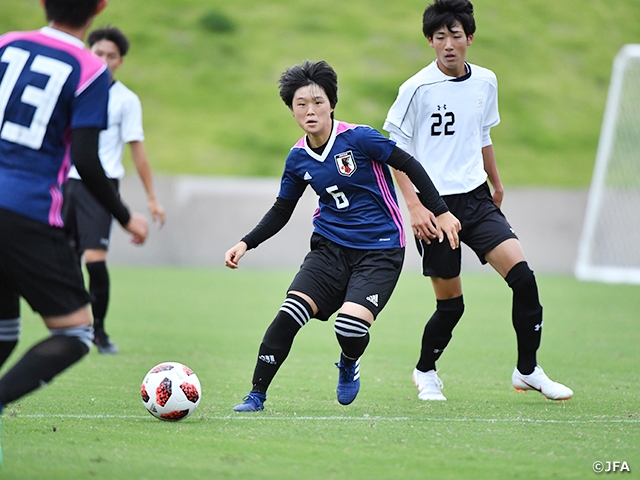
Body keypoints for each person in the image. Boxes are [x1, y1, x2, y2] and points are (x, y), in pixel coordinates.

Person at [225, 60, 461, 412]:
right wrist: (246, 242)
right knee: (289, 313)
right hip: (329, 249)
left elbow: (407, 163)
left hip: (380, 250)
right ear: (291, 110)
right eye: (301, 104)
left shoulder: (360, 138)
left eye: (318, 102)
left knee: (350, 328)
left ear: (332, 104)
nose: (310, 110)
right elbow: (281, 210)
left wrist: (438, 210)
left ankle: (349, 360)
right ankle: (255, 396)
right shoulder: (297, 158)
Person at [383, 0, 572, 402]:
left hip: (476, 198)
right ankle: (425, 370)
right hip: (434, 207)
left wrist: (496, 184)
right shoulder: (415, 89)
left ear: (469, 38)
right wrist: (414, 206)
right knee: (452, 306)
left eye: (455, 35)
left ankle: (528, 371)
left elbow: (483, 134)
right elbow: (393, 149)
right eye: (439, 37)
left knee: (524, 280)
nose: (448, 44)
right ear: (430, 42)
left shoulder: (486, 81)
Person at [0, 0, 148, 465]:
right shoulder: (88, 70)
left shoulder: (5, 45)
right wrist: (126, 216)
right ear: (99, 7)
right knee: (77, 332)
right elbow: (86, 159)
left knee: (4, 332)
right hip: (26, 211)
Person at [63, 25, 165, 354]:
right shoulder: (72, 88)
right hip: (64, 182)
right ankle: (70, 327)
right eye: (99, 54)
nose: (104, 61)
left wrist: (150, 198)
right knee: (62, 259)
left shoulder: (126, 100)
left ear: (120, 62)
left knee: (94, 258)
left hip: (100, 185)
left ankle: (99, 331)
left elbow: (138, 151)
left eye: (112, 56)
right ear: (87, 53)